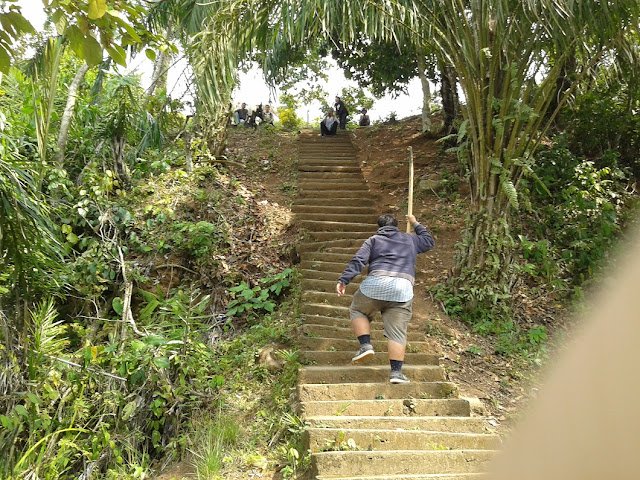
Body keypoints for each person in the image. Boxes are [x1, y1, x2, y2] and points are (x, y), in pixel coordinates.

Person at [336, 214, 434, 384]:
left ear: (379, 227)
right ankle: (396, 373)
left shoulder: (373, 240)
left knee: (358, 309)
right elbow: (428, 241)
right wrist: (415, 223)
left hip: (375, 284)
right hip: (402, 289)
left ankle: (365, 345)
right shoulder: (410, 239)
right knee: (397, 332)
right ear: (397, 226)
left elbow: (359, 260)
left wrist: (344, 280)